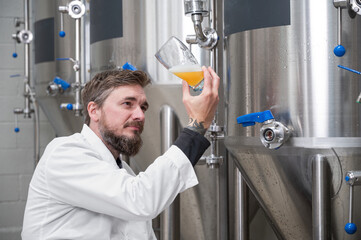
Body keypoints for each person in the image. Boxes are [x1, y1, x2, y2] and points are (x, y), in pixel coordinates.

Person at [22, 66, 220, 239]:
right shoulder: (64, 154)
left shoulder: (123, 173)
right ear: (94, 111)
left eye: (143, 107)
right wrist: (196, 126)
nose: (140, 115)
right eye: (128, 103)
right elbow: (141, 200)